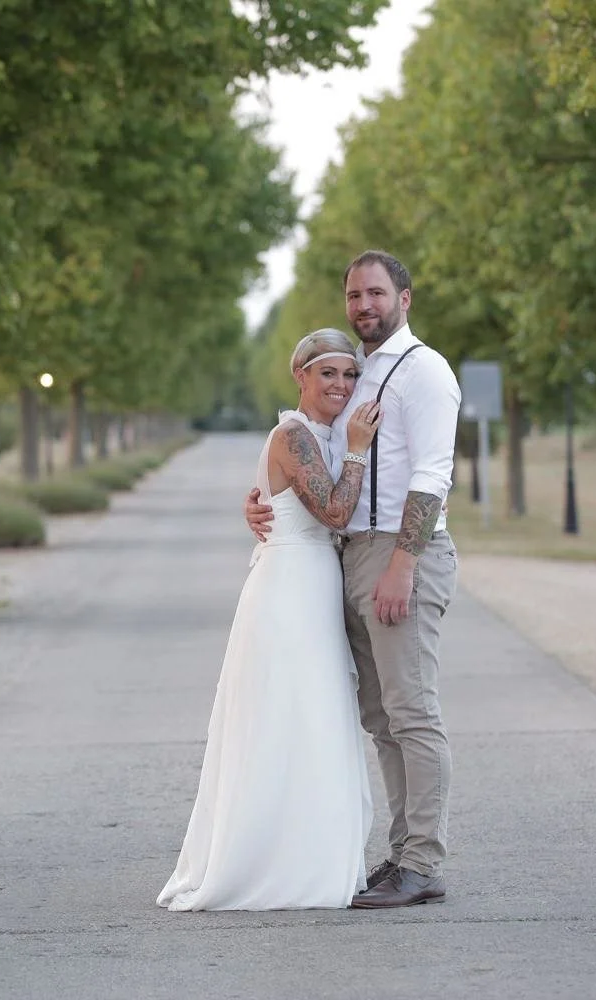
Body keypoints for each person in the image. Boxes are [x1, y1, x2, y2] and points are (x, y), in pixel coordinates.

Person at [245, 249, 461, 909]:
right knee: (381, 715)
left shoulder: (425, 372)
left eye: (375, 293)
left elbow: (431, 473)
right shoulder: (365, 374)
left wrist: (403, 563)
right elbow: (320, 459)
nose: (364, 305)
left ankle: (422, 862)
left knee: (412, 710)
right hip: (350, 552)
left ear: (405, 298)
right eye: (354, 296)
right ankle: (401, 857)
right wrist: (262, 498)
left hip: (400, 553)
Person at [157, 330, 383, 911]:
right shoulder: (295, 436)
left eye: (349, 375)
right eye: (327, 373)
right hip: (289, 590)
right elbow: (334, 509)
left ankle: (316, 852)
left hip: (313, 583)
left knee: (317, 718)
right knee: (290, 717)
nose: (340, 385)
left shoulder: (323, 436)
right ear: (301, 377)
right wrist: (359, 445)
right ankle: (275, 863)